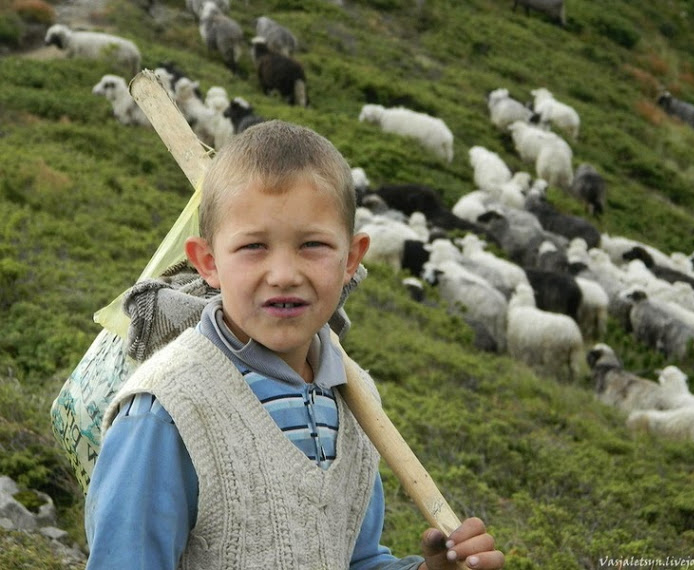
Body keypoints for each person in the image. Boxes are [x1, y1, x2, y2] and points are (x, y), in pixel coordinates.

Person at [84, 120, 505, 570]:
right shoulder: (167, 412)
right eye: (253, 247)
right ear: (207, 262)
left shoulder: (355, 404)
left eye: (312, 245)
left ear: (351, 259)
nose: (284, 273)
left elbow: (352, 557)